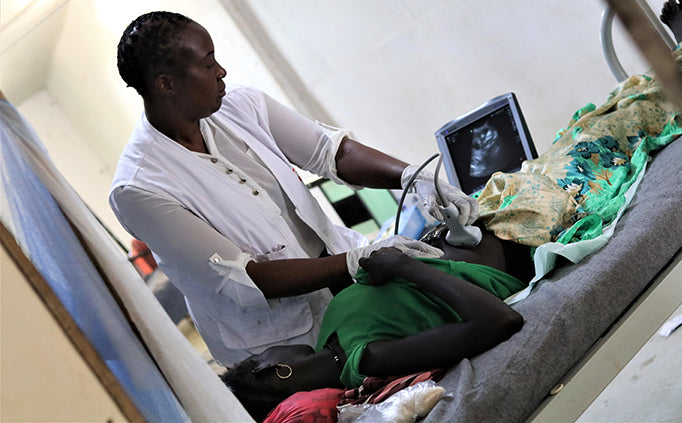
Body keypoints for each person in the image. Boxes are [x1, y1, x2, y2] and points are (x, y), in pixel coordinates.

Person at [109, 11, 479, 367]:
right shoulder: (140, 187)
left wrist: (414, 178)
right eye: (208, 64)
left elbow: (333, 152)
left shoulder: (239, 105)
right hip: (284, 346)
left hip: (347, 283)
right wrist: (357, 260)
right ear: (165, 83)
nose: (221, 71)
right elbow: (248, 278)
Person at [223, 230, 530, 421]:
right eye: (258, 356)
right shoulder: (366, 360)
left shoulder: (330, 333)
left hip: (465, 235)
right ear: (272, 371)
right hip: (506, 255)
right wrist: (401, 265)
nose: (269, 348)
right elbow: (500, 320)